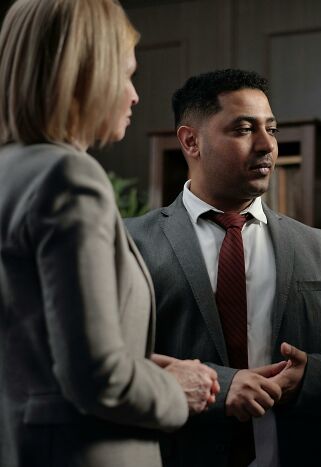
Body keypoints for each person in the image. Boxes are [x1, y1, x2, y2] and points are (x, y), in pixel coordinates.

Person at [125, 68, 321, 467]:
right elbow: (112, 361)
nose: (266, 145)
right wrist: (225, 387)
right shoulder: (130, 244)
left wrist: (305, 377)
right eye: (244, 129)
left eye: (272, 129)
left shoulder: (318, 246)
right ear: (191, 141)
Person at [0, 1, 220, 466]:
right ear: (84, 74)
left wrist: (146, 363)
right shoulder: (68, 177)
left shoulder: (10, 173)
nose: (135, 95)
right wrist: (178, 389)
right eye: (126, 74)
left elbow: (33, 346)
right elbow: (96, 378)